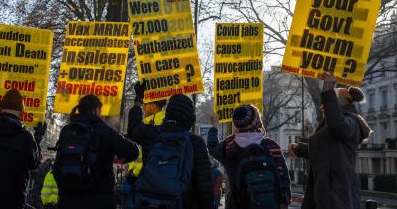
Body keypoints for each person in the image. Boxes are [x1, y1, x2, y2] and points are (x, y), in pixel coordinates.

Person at [288, 73, 372, 209]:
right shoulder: (333, 124)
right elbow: (326, 152)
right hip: (326, 190)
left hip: (336, 193)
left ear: (337, 105)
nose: (322, 107)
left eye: (326, 103)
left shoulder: (351, 122)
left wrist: (328, 89)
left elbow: (338, 126)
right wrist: (299, 149)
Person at [127, 81, 213, 209]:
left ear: (168, 113)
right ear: (190, 117)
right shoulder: (195, 142)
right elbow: (204, 187)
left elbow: (133, 128)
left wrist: (139, 99)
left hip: (149, 202)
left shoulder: (153, 133)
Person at [54, 94, 139, 209]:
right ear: (96, 110)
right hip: (99, 200)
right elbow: (133, 152)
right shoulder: (103, 131)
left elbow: (58, 166)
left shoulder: (67, 131)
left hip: (68, 199)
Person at [207, 105, 291, 209]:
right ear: (257, 121)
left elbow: (212, 147)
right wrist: (285, 201)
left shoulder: (229, 147)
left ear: (236, 123)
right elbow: (284, 176)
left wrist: (214, 126)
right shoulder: (271, 146)